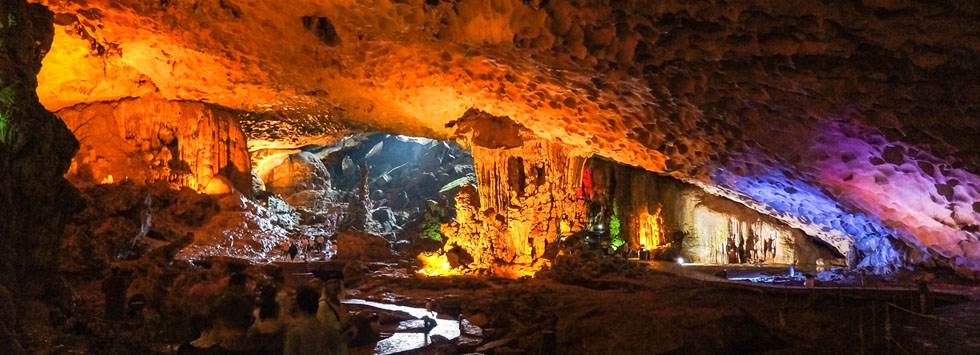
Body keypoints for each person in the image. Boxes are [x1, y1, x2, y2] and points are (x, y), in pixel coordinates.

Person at [283, 285, 342, 355]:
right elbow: (336, 350)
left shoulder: (295, 330)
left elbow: (289, 352)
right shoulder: (328, 327)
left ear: (298, 305)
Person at [248, 285, 285, 354]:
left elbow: (250, 333)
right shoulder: (282, 317)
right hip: (277, 350)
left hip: (260, 349)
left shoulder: (256, 315)